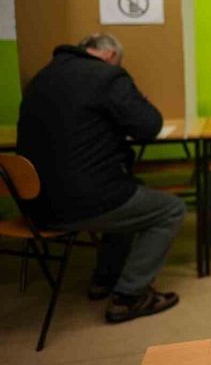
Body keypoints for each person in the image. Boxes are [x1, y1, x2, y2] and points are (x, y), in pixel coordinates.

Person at [16, 34, 185, 323]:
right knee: (171, 209)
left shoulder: (41, 78)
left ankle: (105, 278)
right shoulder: (106, 76)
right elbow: (149, 125)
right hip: (81, 202)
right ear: (110, 56)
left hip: (35, 205)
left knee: (131, 193)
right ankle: (130, 296)